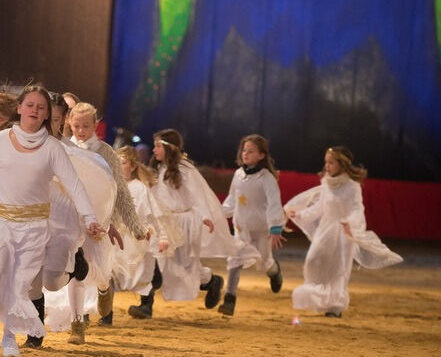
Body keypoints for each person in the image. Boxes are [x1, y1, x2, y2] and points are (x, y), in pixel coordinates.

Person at [0, 84, 105, 357]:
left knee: (21, 284)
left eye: (41, 108)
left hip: (35, 226)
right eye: (30, 105)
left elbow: (74, 186)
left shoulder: (53, 148)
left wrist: (89, 218)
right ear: (19, 108)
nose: (35, 111)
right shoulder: (0, 141)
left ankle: (8, 338)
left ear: (47, 114)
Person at [137, 129, 258, 314]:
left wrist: (205, 217)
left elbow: (197, 195)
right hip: (164, 223)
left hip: (184, 222)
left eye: (158, 146)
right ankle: (146, 305)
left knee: (182, 267)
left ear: (169, 148)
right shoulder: (157, 169)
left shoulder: (184, 169)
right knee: (154, 259)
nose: (154, 150)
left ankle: (211, 281)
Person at [60, 102, 145, 344]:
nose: (80, 130)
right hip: (72, 219)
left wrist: (135, 226)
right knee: (75, 270)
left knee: (98, 269)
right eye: (76, 126)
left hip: (99, 222)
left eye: (86, 126)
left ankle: (104, 287)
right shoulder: (64, 149)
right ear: (69, 124)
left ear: (96, 125)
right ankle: (77, 323)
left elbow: (120, 192)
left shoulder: (106, 152)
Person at [285, 146, 402, 317]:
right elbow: (319, 207)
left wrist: (350, 223)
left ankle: (335, 307)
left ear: (342, 164)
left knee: (338, 269)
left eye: (331, 162)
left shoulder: (352, 186)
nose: (327, 166)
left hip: (343, 231)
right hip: (325, 230)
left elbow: (357, 209)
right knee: (313, 260)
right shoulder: (326, 183)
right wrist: (300, 214)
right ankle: (318, 298)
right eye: (326, 162)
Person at [218, 134, 286, 316]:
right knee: (235, 259)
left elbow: (274, 203)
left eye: (251, 151)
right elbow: (232, 200)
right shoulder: (238, 175)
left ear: (262, 155)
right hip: (241, 229)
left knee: (264, 262)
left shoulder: (266, 178)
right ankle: (229, 299)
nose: (246, 154)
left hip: (262, 230)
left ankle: (274, 270)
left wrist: (275, 227)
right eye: (244, 150)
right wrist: (217, 216)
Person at [112, 146, 173, 321]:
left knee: (142, 270)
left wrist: (162, 237)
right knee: (111, 270)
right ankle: (106, 312)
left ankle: (146, 304)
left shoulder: (140, 188)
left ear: (132, 166)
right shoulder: (111, 185)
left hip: (138, 236)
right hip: (117, 236)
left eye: (122, 163)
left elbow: (154, 214)